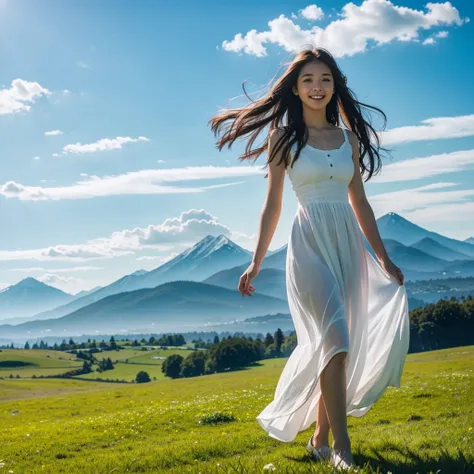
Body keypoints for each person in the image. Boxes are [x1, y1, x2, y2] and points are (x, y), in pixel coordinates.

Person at [208, 47, 410, 471]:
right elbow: (273, 206)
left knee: (336, 348)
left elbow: (362, 204)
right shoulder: (283, 138)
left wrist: (384, 259)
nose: (317, 87)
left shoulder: (348, 140)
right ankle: (342, 448)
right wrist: (256, 261)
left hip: (348, 244)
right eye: (308, 80)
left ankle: (319, 438)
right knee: (334, 338)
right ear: (296, 89)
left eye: (325, 80)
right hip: (308, 245)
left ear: (335, 87)